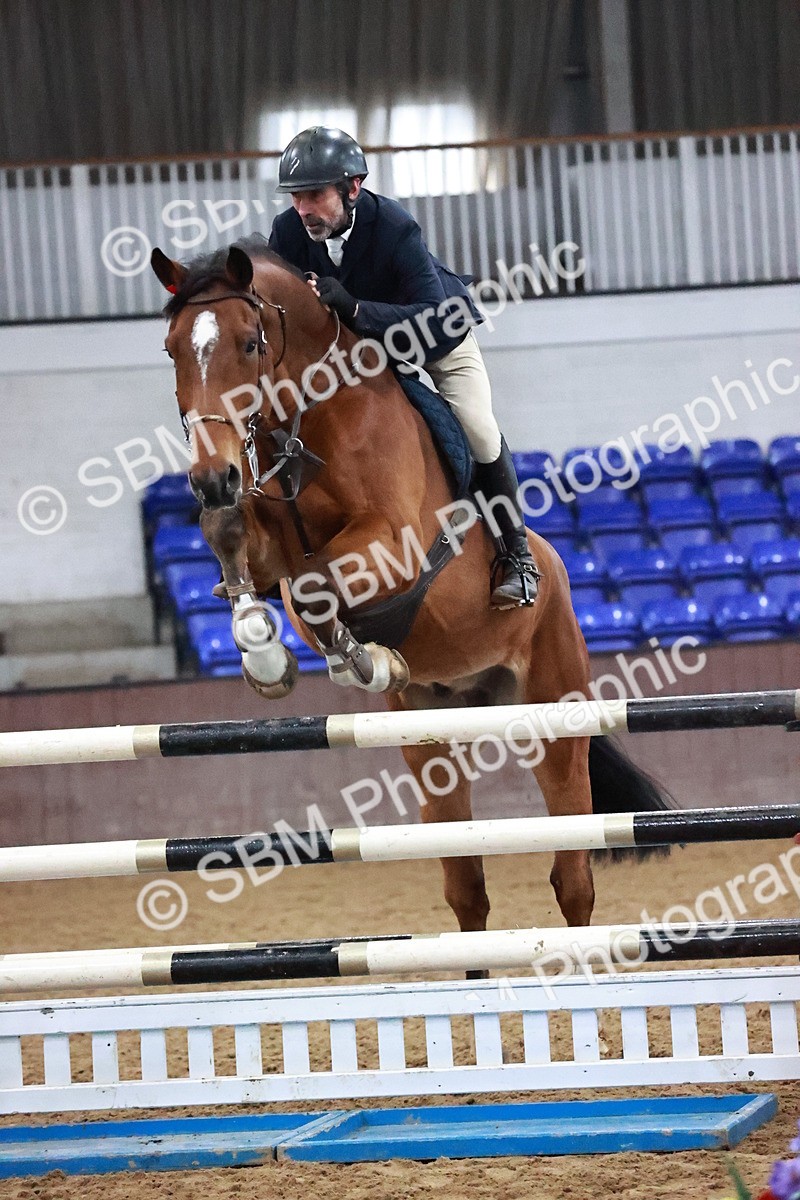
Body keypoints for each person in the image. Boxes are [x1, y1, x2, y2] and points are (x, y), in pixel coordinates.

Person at [268, 126, 541, 608]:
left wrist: (354, 310)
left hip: (437, 338)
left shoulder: (393, 225)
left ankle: (516, 556)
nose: (303, 209)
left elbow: (433, 317)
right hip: (365, 354)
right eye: (296, 197)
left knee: (478, 428)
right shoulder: (288, 232)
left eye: (313, 195)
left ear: (352, 187)